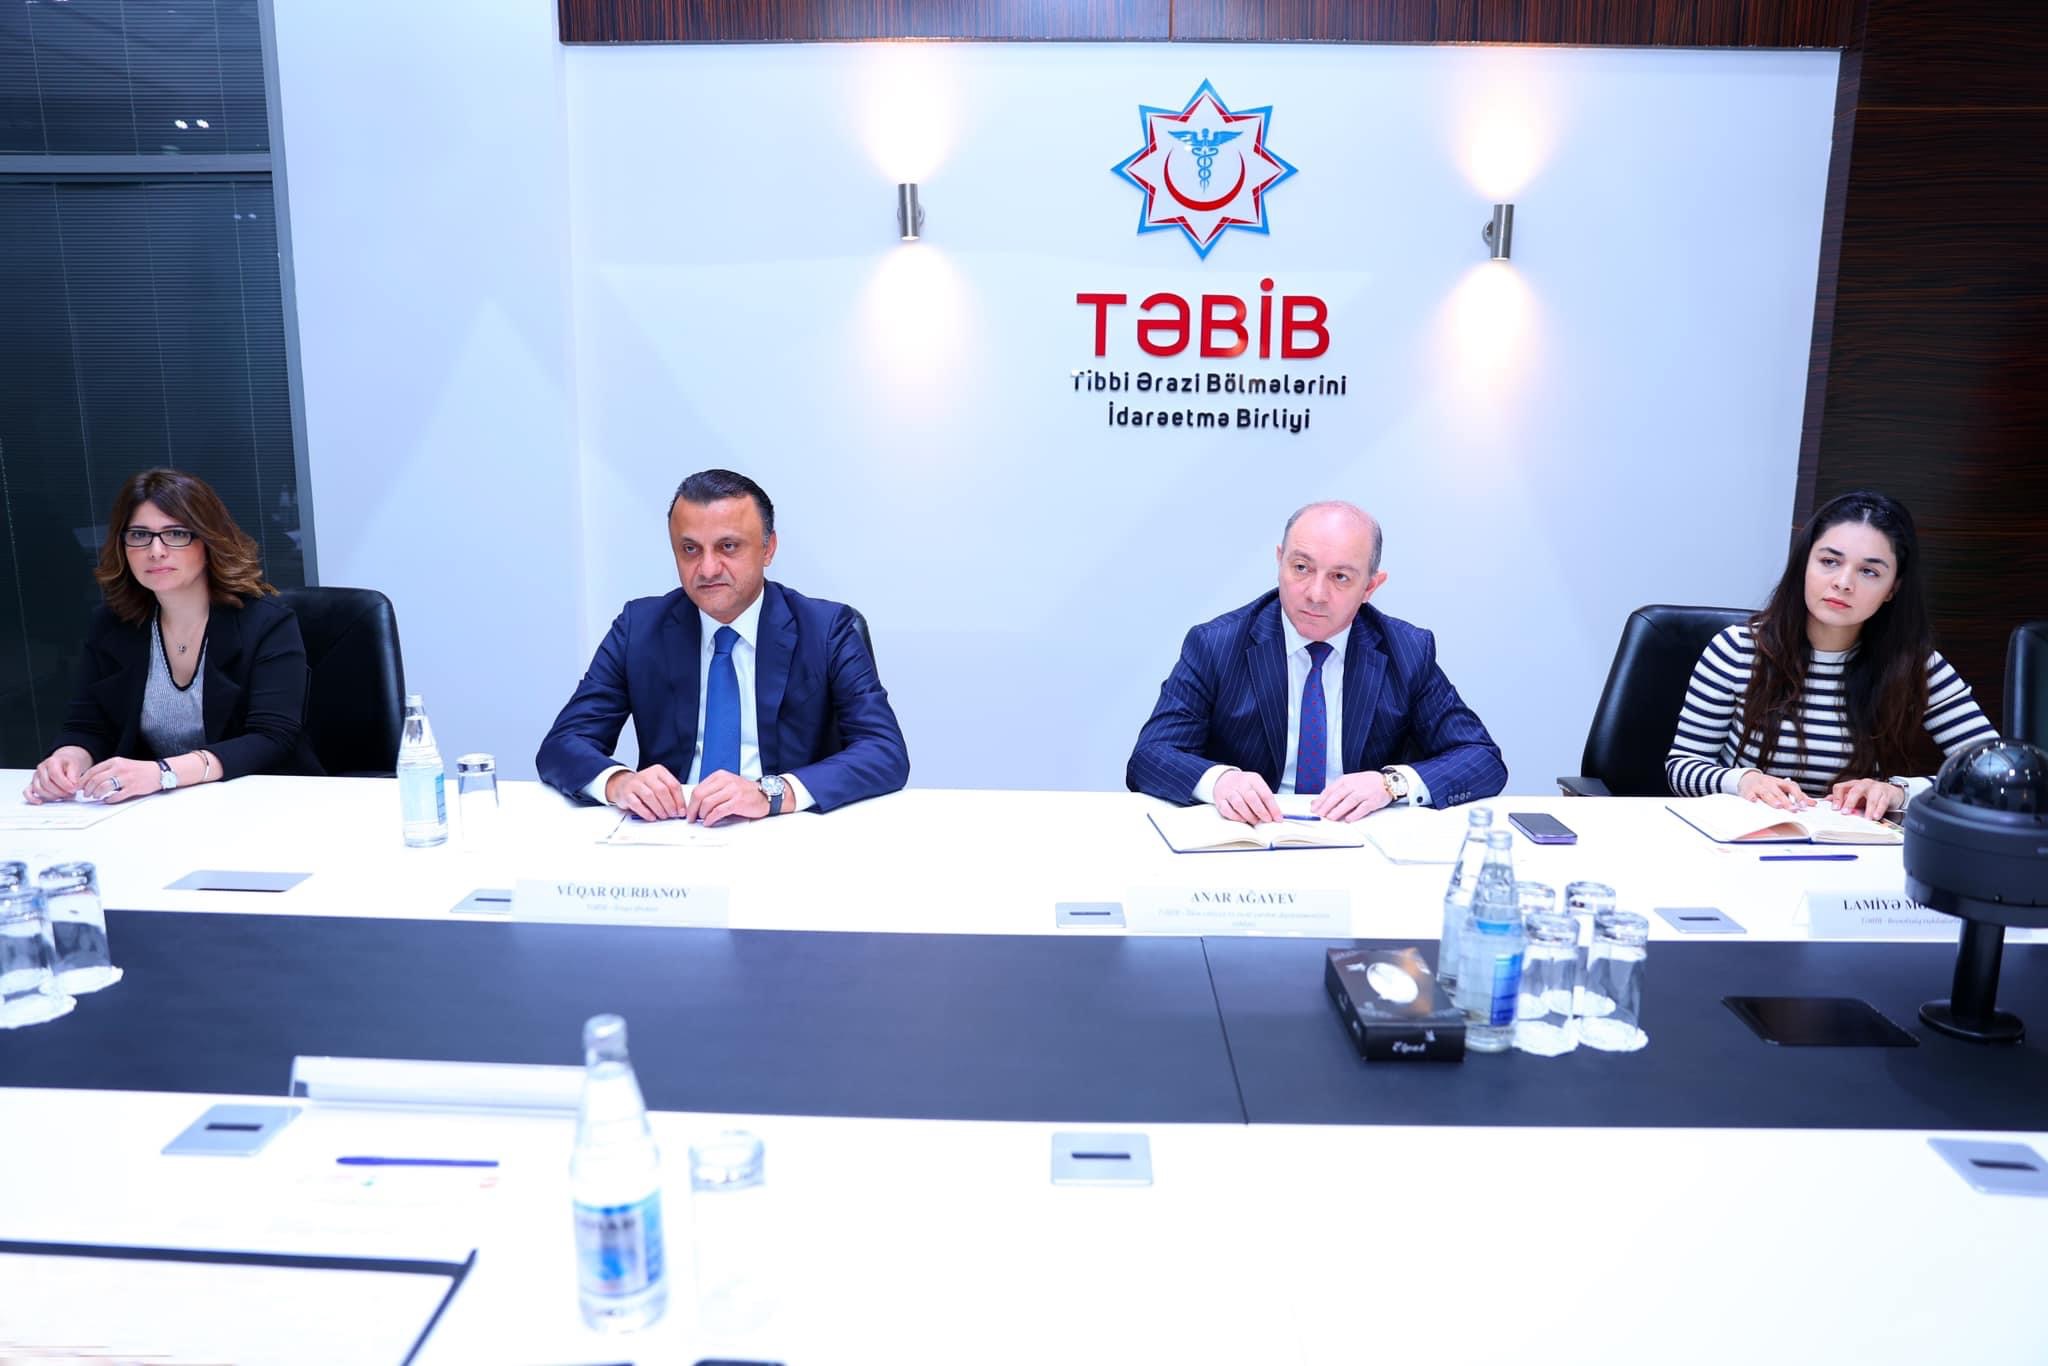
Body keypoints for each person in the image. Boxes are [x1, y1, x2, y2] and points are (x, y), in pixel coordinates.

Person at [537, 468, 909, 823]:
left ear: (768, 549)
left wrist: (771, 793)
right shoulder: (640, 627)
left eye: (728, 546)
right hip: (670, 831)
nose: (708, 568)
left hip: (785, 830)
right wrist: (619, 783)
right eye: (690, 549)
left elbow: (883, 750)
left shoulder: (826, 629)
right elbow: (563, 743)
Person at [1127, 501, 1507, 824]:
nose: (1315, 594)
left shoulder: (1406, 651)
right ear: (1279, 561)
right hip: (1250, 839)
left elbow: (1482, 759)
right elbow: (1150, 756)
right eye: (1301, 568)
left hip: (1362, 842)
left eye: (1340, 577)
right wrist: (1220, 781)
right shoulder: (1217, 644)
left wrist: (1391, 784)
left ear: (1370, 587)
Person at [1666, 490, 1996, 818]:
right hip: (1742, 833)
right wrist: (1741, 781)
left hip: (1850, 840)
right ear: (1804, 565)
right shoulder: (1738, 649)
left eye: (1869, 572)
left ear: (1892, 589)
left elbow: (1993, 773)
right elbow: (1682, 768)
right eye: (1829, 562)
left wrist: (1900, 792)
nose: (1843, 582)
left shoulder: (1916, 666)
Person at [24, 468, 318, 804]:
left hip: (262, 800)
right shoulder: (113, 624)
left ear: (208, 541)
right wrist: (68, 758)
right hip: (157, 807)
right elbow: (88, 725)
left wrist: (163, 773)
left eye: (176, 534)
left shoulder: (266, 622)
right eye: (139, 535)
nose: (156, 550)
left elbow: (272, 737)